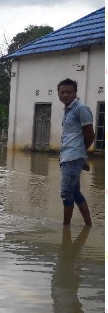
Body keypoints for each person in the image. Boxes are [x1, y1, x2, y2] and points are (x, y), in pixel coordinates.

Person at [57, 78, 95, 226]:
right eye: (62, 92)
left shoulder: (81, 109)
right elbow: (69, 137)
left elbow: (90, 135)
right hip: (68, 157)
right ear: (58, 93)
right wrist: (62, 156)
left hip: (73, 157)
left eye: (69, 92)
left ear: (75, 93)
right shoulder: (67, 110)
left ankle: (65, 228)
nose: (65, 95)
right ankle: (88, 225)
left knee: (66, 193)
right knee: (74, 191)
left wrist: (80, 155)